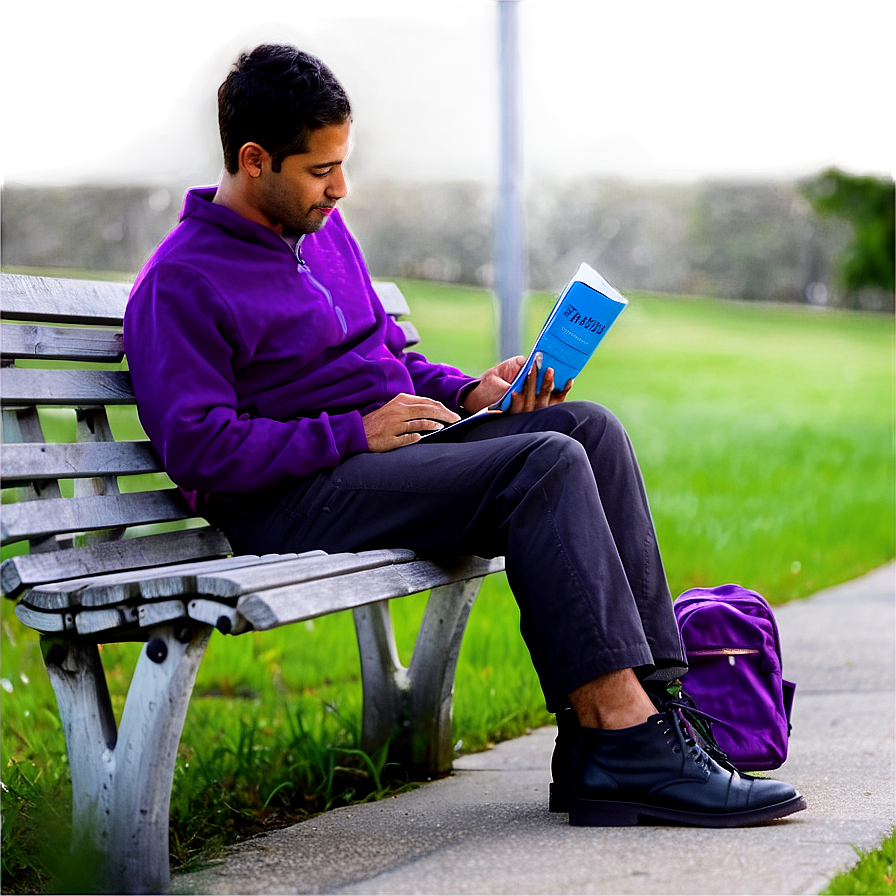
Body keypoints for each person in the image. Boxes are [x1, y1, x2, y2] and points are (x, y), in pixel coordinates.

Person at [123, 40, 806, 828]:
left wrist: (473, 391)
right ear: (253, 159)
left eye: (343, 164)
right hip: (286, 497)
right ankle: (626, 738)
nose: (341, 189)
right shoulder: (180, 280)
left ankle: (639, 724)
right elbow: (200, 449)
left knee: (589, 429)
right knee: (544, 466)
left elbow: (392, 359)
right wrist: (352, 433)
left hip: (374, 459)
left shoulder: (320, 234)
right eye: (321, 170)